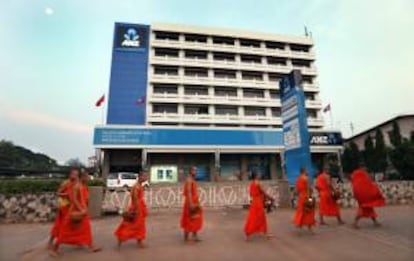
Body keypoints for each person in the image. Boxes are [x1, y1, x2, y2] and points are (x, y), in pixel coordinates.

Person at [50, 171, 101, 257]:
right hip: (75, 210)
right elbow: (74, 199)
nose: (88, 178)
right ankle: (54, 249)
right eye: (87, 177)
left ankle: (91, 246)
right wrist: (81, 209)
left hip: (82, 211)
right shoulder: (77, 186)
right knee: (65, 230)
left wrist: (84, 209)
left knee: (86, 229)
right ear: (82, 177)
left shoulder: (82, 186)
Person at [114, 171, 148, 250]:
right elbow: (135, 199)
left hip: (140, 207)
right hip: (136, 208)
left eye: (146, 176)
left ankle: (139, 241)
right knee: (131, 225)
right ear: (140, 177)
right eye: (144, 176)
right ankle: (121, 238)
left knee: (140, 225)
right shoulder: (136, 187)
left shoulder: (140, 186)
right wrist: (136, 210)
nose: (146, 178)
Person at [47, 168, 79, 249]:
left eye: (76, 175)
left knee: (76, 225)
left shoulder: (76, 183)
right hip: (64, 206)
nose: (75, 176)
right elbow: (58, 193)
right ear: (70, 174)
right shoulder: (66, 183)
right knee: (59, 225)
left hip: (72, 206)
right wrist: (66, 195)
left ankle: (79, 241)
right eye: (73, 174)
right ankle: (51, 242)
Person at [244, 171, 274, 241]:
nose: (260, 175)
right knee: (261, 218)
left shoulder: (252, 184)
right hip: (258, 203)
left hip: (254, 203)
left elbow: (251, 194)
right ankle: (265, 233)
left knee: (252, 218)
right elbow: (264, 192)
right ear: (256, 176)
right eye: (259, 174)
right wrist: (271, 198)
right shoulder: (258, 183)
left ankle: (248, 234)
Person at [180, 166, 203, 243]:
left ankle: (195, 235)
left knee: (196, 217)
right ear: (190, 171)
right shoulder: (189, 180)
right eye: (194, 170)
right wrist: (191, 204)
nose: (195, 172)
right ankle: (186, 238)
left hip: (195, 201)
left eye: (196, 170)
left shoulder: (192, 180)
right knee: (189, 219)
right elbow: (189, 192)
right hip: (190, 202)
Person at [292, 167, 316, 233]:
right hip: (307, 196)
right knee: (309, 211)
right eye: (306, 170)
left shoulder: (298, 179)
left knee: (301, 211)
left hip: (301, 197)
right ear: (304, 171)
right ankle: (310, 227)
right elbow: (309, 189)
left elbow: (296, 190)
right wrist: (310, 198)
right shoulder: (306, 178)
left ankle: (299, 225)